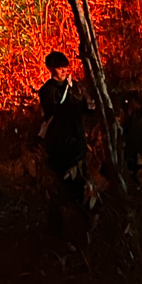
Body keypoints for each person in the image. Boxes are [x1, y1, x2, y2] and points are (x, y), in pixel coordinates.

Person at [37, 52, 93, 232]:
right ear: (52, 69)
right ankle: (58, 228)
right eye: (60, 68)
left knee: (80, 183)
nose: (64, 71)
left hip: (77, 141)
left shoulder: (74, 86)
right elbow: (56, 112)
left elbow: (83, 107)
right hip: (58, 144)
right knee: (60, 186)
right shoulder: (47, 91)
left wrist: (88, 106)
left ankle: (81, 225)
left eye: (65, 67)